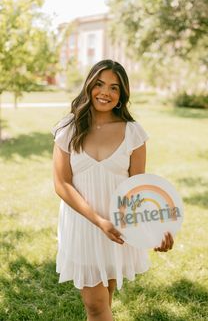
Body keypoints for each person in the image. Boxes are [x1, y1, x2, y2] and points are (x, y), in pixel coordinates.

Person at [52, 59, 174, 321]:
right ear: (89, 86)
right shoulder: (68, 129)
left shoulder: (133, 133)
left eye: (114, 87)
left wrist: (156, 230)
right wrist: (99, 222)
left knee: (104, 296)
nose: (105, 92)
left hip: (119, 227)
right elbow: (62, 184)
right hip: (83, 224)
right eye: (99, 84)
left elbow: (136, 190)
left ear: (121, 95)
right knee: (95, 304)